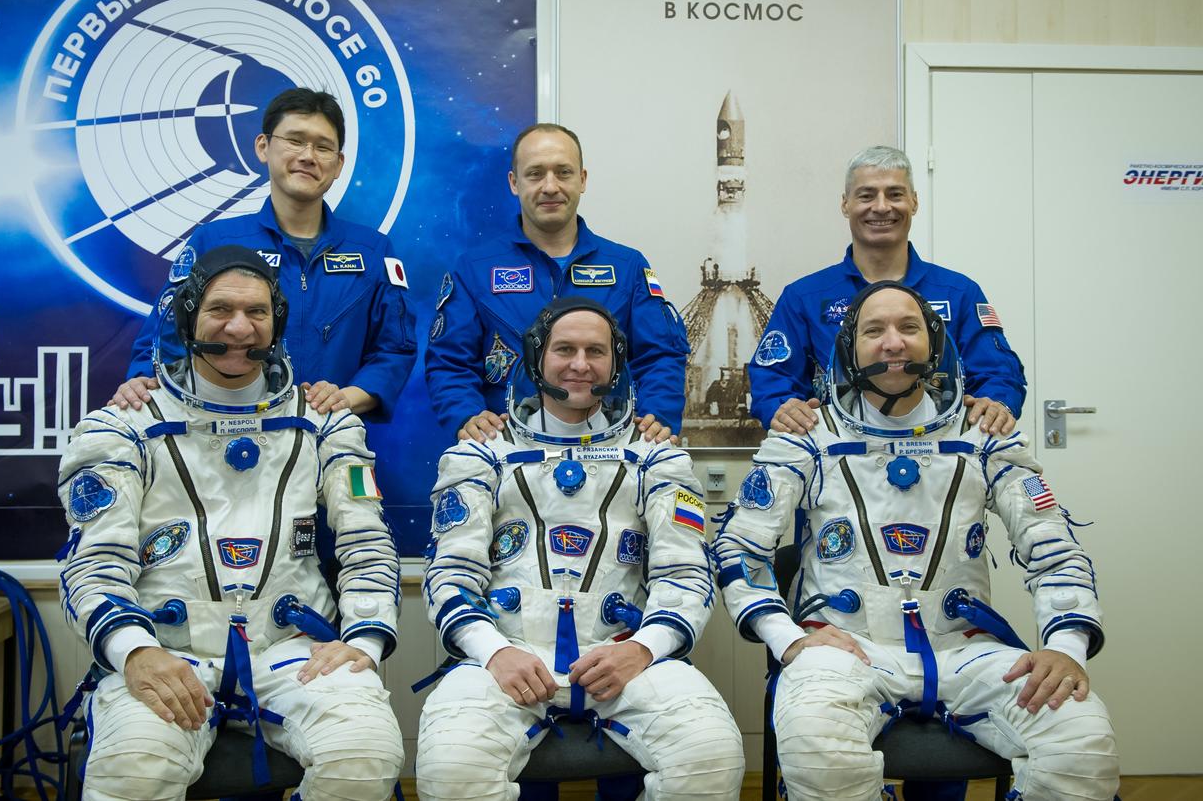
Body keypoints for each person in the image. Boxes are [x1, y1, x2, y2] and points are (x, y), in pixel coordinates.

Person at [714, 282, 1118, 801]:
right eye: (873, 330)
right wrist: (787, 637)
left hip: (966, 650)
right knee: (819, 753)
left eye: (909, 328)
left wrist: (1065, 649)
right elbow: (740, 548)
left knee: (1083, 744)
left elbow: (1055, 551)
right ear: (848, 348)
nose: (892, 342)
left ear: (934, 344)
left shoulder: (983, 435)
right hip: (845, 647)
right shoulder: (807, 436)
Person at [57, 246, 404, 799]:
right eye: (220, 309)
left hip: (292, 650)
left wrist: (363, 637)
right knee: (134, 773)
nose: (239, 328)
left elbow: (367, 545)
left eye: (258, 313)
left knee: (365, 758)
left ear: (277, 323)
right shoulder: (121, 428)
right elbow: (93, 566)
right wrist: (134, 651)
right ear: (188, 315)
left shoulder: (326, 423)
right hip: (166, 649)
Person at [414, 297, 744, 800]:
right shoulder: (479, 456)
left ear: (616, 364)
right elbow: (450, 577)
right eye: (564, 349)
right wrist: (494, 651)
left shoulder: (658, 459)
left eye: (596, 351)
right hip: (509, 657)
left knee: (711, 758)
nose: (580, 364)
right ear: (536, 358)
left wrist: (642, 648)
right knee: (451, 770)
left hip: (625, 657)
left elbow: (688, 575)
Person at [112, 87, 416, 420]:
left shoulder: (372, 251)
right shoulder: (214, 241)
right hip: (218, 436)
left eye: (323, 146)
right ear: (263, 147)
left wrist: (342, 401)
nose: (308, 156)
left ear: (339, 163)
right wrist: (141, 382)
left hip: (329, 439)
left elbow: (395, 351)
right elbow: (162, 340)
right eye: (295, 140)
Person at [425, 123, 690, 444]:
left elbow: (660, 356)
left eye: (563, 172)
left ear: (582, 179)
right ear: (514, 182)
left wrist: (656, 419)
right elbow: (449, 361)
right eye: (535, 174)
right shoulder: (475, 269)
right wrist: (466, 415)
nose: (550, 186)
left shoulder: (627, 267)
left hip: (612, 450)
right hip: (506, 448)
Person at [749, 145, 1025, 439]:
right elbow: (773, 377)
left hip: (942, 458)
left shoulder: (959, 293)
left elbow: (998, 373)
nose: (881, 207)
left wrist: (996, 404)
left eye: (895, 194)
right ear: (845, 204)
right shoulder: (804, 298)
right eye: (866, 195)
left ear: (914, 202)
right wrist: (784, 407)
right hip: (837, 463)